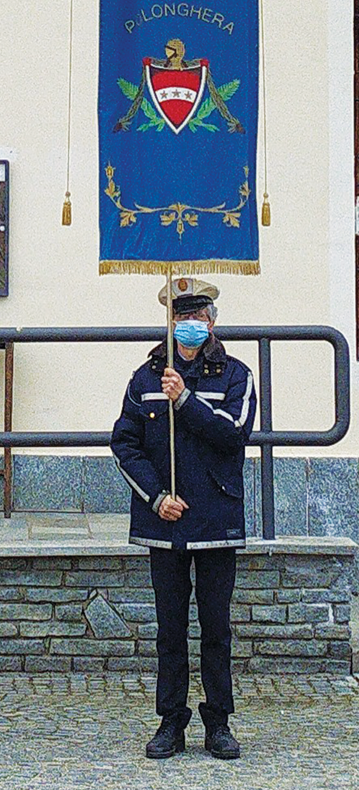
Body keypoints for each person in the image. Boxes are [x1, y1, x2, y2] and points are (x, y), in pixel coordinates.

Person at [111, 278, 256, 761]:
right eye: (181, 318)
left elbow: (232, 435)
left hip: (215, 519)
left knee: (215, 628)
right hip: (166, 521)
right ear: (169, 324)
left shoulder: (236, 376)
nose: (189, 326)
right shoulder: (144, 377)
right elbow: (125, 444)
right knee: (170, 629)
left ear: (212, 323)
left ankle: (219, 723)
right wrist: (156, 497)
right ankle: (170, 721)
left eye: (198, 318)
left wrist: (185, 402)